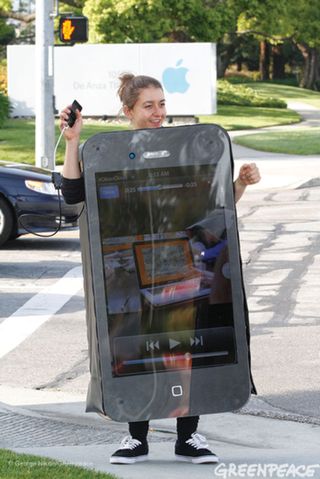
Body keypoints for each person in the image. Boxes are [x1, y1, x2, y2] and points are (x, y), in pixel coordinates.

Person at [59, 73, 261, 465]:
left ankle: (189, 437)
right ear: (128, 111)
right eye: (148, 105)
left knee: (185, 347)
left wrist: (240, 183)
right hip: (130, 274)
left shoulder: (182, 147)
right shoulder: (108, 152)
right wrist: (72, 144)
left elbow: (217, 206)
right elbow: (71, 195)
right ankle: (137, 437)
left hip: (184, 268)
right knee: (139, 348)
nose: (158, 113)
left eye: (162, 104)